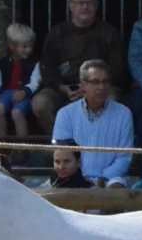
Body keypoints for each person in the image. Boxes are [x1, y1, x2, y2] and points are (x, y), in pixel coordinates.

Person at [33, 0, 126, 133]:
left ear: (96, 6)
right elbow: (47, 67)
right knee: (40, 103)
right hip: (63, 89)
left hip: (100, 87)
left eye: (90, 3)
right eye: (80, 3)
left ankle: (97, 145)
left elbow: (117, 69)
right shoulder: (57, 33)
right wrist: (61, 87)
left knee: (112, 99)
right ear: (71, 5)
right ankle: (61, 145)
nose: (85, 7)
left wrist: (91, 87)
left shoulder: (109, 34)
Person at [50, 59, 133, 187]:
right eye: (95, 82)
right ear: (83, 85)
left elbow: (124, 158)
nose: (101, 87)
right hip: (74, 178)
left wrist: (103, 178)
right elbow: (62, 155)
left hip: (109, 179)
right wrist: (82, 181)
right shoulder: (65, 114)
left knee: (116, 188)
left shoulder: (123, 113)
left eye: (105, 82)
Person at [0, 23, 42, 142]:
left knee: (17, 112)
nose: (28, 49)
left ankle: (22, 147)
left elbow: (35, 82)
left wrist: (25, 92)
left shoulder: (34, 63)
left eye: (30, 46)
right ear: (12, 46)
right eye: (24, 46)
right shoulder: (3, 63)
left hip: (25, 95)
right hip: (6, 93)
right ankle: (2, 142)